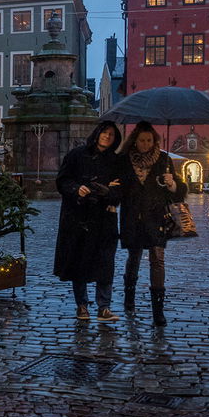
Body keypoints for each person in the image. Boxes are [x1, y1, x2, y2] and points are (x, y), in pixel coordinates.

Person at [116, 121, 187, 326]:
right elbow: (120, 188)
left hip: (157, 217)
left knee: (157, 260)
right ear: (135, 141)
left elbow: (178, 191)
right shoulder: (125, 160)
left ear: (154, 140)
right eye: (142, 140)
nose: (145, 144)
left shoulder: (164, 159)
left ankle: (158, 311)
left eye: (149, 140)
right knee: (134, 257)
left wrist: (171, 183)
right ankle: (129, 298)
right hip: (132, 217)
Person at [53, 120, 123, 322]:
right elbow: (63, 180)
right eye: (105, 132)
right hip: (79, 217)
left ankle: (104, 307)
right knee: (80, 261)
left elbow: (121, 189)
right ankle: (82, 306)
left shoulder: (116, 161)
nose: (107, 136)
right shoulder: (77, 155)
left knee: (105, 263)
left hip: (104, 218)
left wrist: (108, 191)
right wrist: (77, 188)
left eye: (111, 134)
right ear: (98, 133)